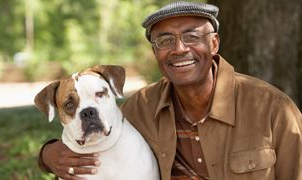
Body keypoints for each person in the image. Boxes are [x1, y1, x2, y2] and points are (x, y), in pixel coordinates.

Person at [38, 1, 302, 180]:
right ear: (155, 52)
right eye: (165, 40)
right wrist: (47, 154)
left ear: (214, 43)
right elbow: (98, 128)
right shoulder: (140, 107)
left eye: (192, 36)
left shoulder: (272, 108)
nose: (179, 49)